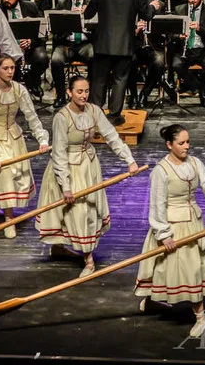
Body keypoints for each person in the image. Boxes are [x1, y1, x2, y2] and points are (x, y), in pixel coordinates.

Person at [134, 124, 205, 338]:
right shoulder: (161, 171)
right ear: (169, 145)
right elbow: (157, 205)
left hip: (192, 224)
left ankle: (200, 317)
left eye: (188, 142)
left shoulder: (195, 163)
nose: (186, 146)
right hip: (171, 225)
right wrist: (164, 235)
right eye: (181, 143)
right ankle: (152, 300)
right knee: (165, 267)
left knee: (192, 270)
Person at [37, 76, 140, 278]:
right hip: (68, 167)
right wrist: (65, 185)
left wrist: (129, 160)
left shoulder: (94, 110)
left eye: (86, 91)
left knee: (86, 211)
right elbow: (59, 153)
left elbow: (111, 135)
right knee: (75, 211)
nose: (84, 95)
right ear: (69, 92)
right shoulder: (62, 117)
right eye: (79, 91)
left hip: (88, 166)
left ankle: (68, 250)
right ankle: (87, 259)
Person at [0, 54, 51, 238]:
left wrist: (42, 139)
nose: (10, 72)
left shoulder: (19, 90)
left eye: (12, 68)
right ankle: (9, 219)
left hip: (14, 137)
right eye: (5, 68)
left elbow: (31, 116)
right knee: (4, 176)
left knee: (16, 178)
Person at [84, 0, 159, 124]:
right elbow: (146, 15)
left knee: (99, 80)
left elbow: (88, 14)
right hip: (125, 43)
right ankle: (114, 116)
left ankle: (94, 115)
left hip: (103, 43)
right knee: (120, 80)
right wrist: (153, 7)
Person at [0, 0, 48, 99]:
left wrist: (30, 40)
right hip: (8, 48)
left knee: (42, 58)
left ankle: (32, 81)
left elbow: (42, 31)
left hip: (30, 47)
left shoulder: (31, 7)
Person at [50, 0, 94, 108]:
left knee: (94, 57)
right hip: (67, 43)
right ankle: (61, 95)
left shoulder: (91, 3)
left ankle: (90, 95)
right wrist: (70, 19)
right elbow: (55, 28)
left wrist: (85, 18)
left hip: (85, 43)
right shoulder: (62, 3)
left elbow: (98, 27)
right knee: (55, 60)